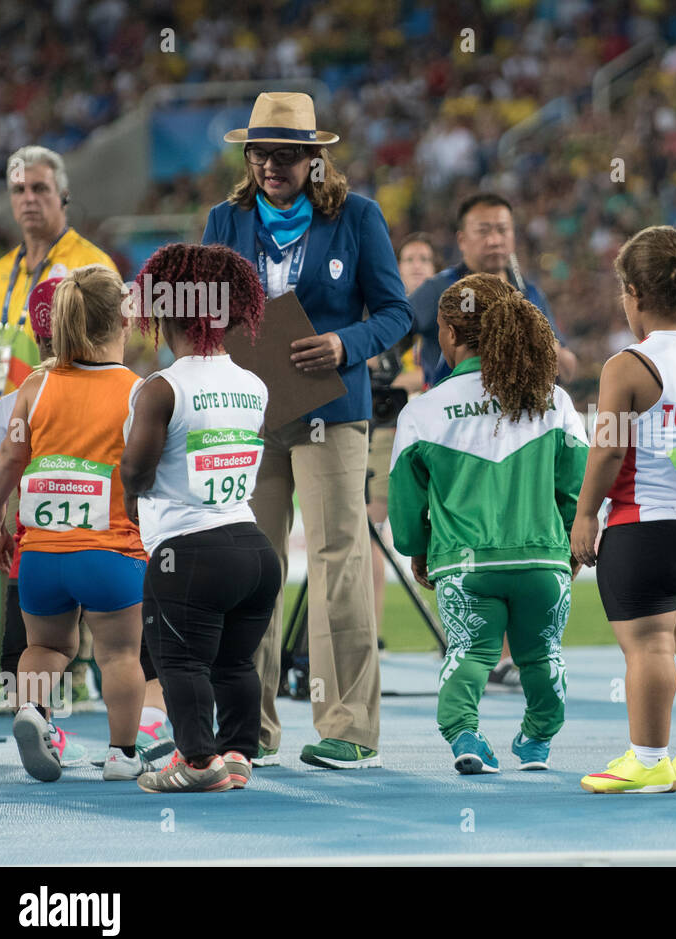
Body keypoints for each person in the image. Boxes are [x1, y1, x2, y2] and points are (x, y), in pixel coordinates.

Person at [202, 91, 413, 770]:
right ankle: (247, 728)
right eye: (261, 153)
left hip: (331, 413)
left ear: (315, 159)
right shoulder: (224, 220)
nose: (272, 165)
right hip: (248, 420)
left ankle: (349, 726)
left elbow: (394, 311)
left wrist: (346, 345)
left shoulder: (357, 216)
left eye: (287, 155)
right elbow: (203, 315)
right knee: (248, 567)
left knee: (338, 562)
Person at [389, 273, 586, 773]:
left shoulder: (424, 411)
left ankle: (465, 738)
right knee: (542, 658)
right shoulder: (554, 401)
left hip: (464, 565)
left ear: (451, 335)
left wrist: (418, 550)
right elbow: (576, 487)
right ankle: (538, 741)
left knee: (470, 655)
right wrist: (569, 545)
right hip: (544, 561)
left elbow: (405, 505)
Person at [572, 226, 676, 794]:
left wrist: (584, 515)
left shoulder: (628, 366)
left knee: (649, 647)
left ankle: (647, 759)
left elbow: (611, 446)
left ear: (635, 292)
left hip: (647, 531)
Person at [0, 265, 150, 782]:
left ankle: (31, 712)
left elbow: (8, 458)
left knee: (45, 648)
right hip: (111, 554)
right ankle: (122, 755)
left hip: (43, 557)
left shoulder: (35, 386)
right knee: (118, 655)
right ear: (123, 321)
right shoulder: (137, 391)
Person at [120, 243, 282, 793]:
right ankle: (238, 755)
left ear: (164, 314)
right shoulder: (255, 385)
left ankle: (195, 761)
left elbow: (137, 471)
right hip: (253, 547)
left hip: (186, 551)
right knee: (235, 662)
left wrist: (129, 499)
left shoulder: (161, 388)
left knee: (178, 662)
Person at [0, 146, 117, 417]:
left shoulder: (92, 265)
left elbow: (110, 357)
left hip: (61, 422)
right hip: (2, 422)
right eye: (19, 190)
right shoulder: (1, 270)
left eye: (40, 188)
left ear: (63, 197)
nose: (29, 198)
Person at [409, 193, 577, 387]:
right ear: (462, 240)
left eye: (502, 230)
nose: (494, 240)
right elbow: (392, 328)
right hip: (454, 413)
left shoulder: (530, 293)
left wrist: (545, 345)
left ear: (513, 236)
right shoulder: (440, 288)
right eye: (483, 231)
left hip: (519, 413)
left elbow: (568, 370)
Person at [366, 233, 434, 644]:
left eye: (425, 258)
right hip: (388, 432)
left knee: (447, 531)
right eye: (408, 258)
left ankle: (462, 638)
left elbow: (429, 375)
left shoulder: (446, 312)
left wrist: (397, 380)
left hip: (436, 433)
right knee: (370, 529)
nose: (416, 265)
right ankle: (371, 634)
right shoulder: (386, 313)